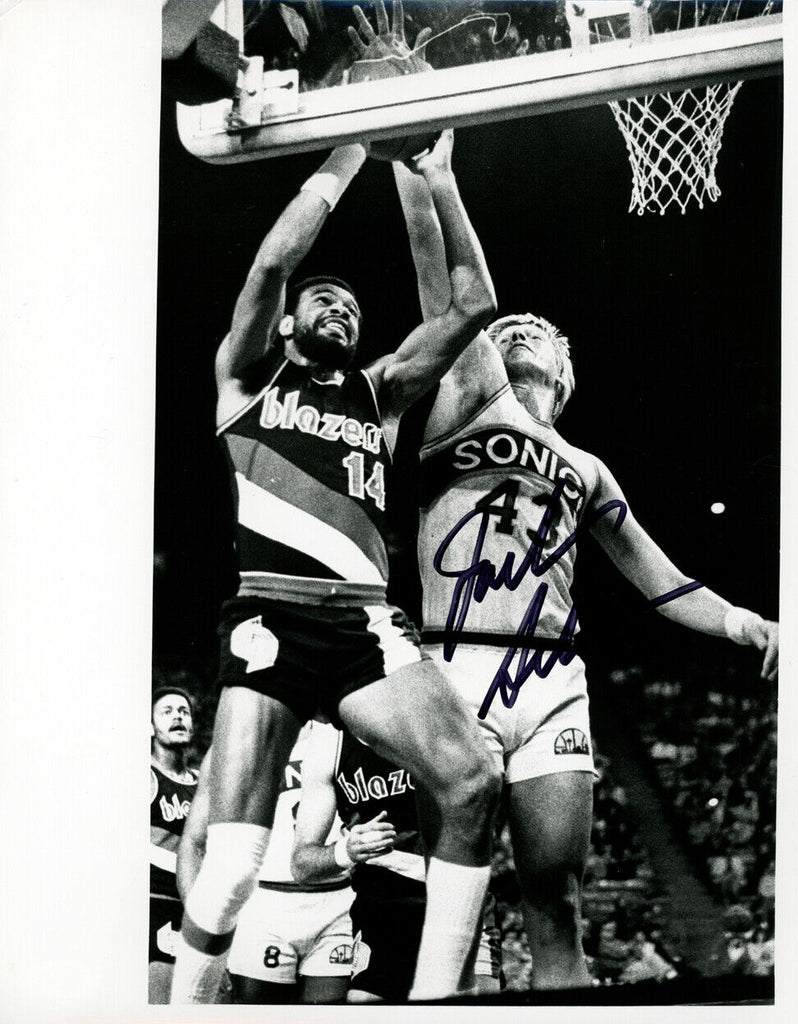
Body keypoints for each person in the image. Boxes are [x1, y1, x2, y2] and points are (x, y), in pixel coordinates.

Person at [392, 159, 779, 990]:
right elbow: (439, 281)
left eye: (535, 333)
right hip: (453, 665)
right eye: (507, 328)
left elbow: (660, 581)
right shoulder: (468, 396)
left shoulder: (588, 467)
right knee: (453, 900)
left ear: (563, 382)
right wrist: (421, 175)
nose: (518, 329)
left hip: (552, 680)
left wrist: (743, 622)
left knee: (555, 898)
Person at [168, 98, 502, 1001]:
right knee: (233, 859)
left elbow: (475, 304)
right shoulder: (246, 378)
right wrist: (354, 138)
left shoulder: (378, 393)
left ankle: (435, 1002)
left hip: (364, 624)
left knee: (473, 780)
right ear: (285, 323)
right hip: (270, 613)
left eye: (352, 307)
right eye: (325, 300)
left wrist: (436, 178)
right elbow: (275, 263)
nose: (341, 310)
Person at [291, 722, 502, 1002]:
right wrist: (346, 850)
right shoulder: (329, 742)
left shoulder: (442, 714)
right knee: (365, 1004)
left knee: (474, 1011)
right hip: (382, 909)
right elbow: (302, 864)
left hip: (459, 898)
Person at [178, 723, 354, 1003]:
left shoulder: (343, 735)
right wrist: (206, 944)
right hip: (263, 906)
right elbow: (192, 844)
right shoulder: (233, 742)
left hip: (337, 902)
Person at [149, 687, 199, 1003]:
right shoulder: (145, 776)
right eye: (166, 712)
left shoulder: (202, 784)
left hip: (197, 909)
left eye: (183, 711)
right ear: (150, 726)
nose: (177, 716)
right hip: (157, 903)